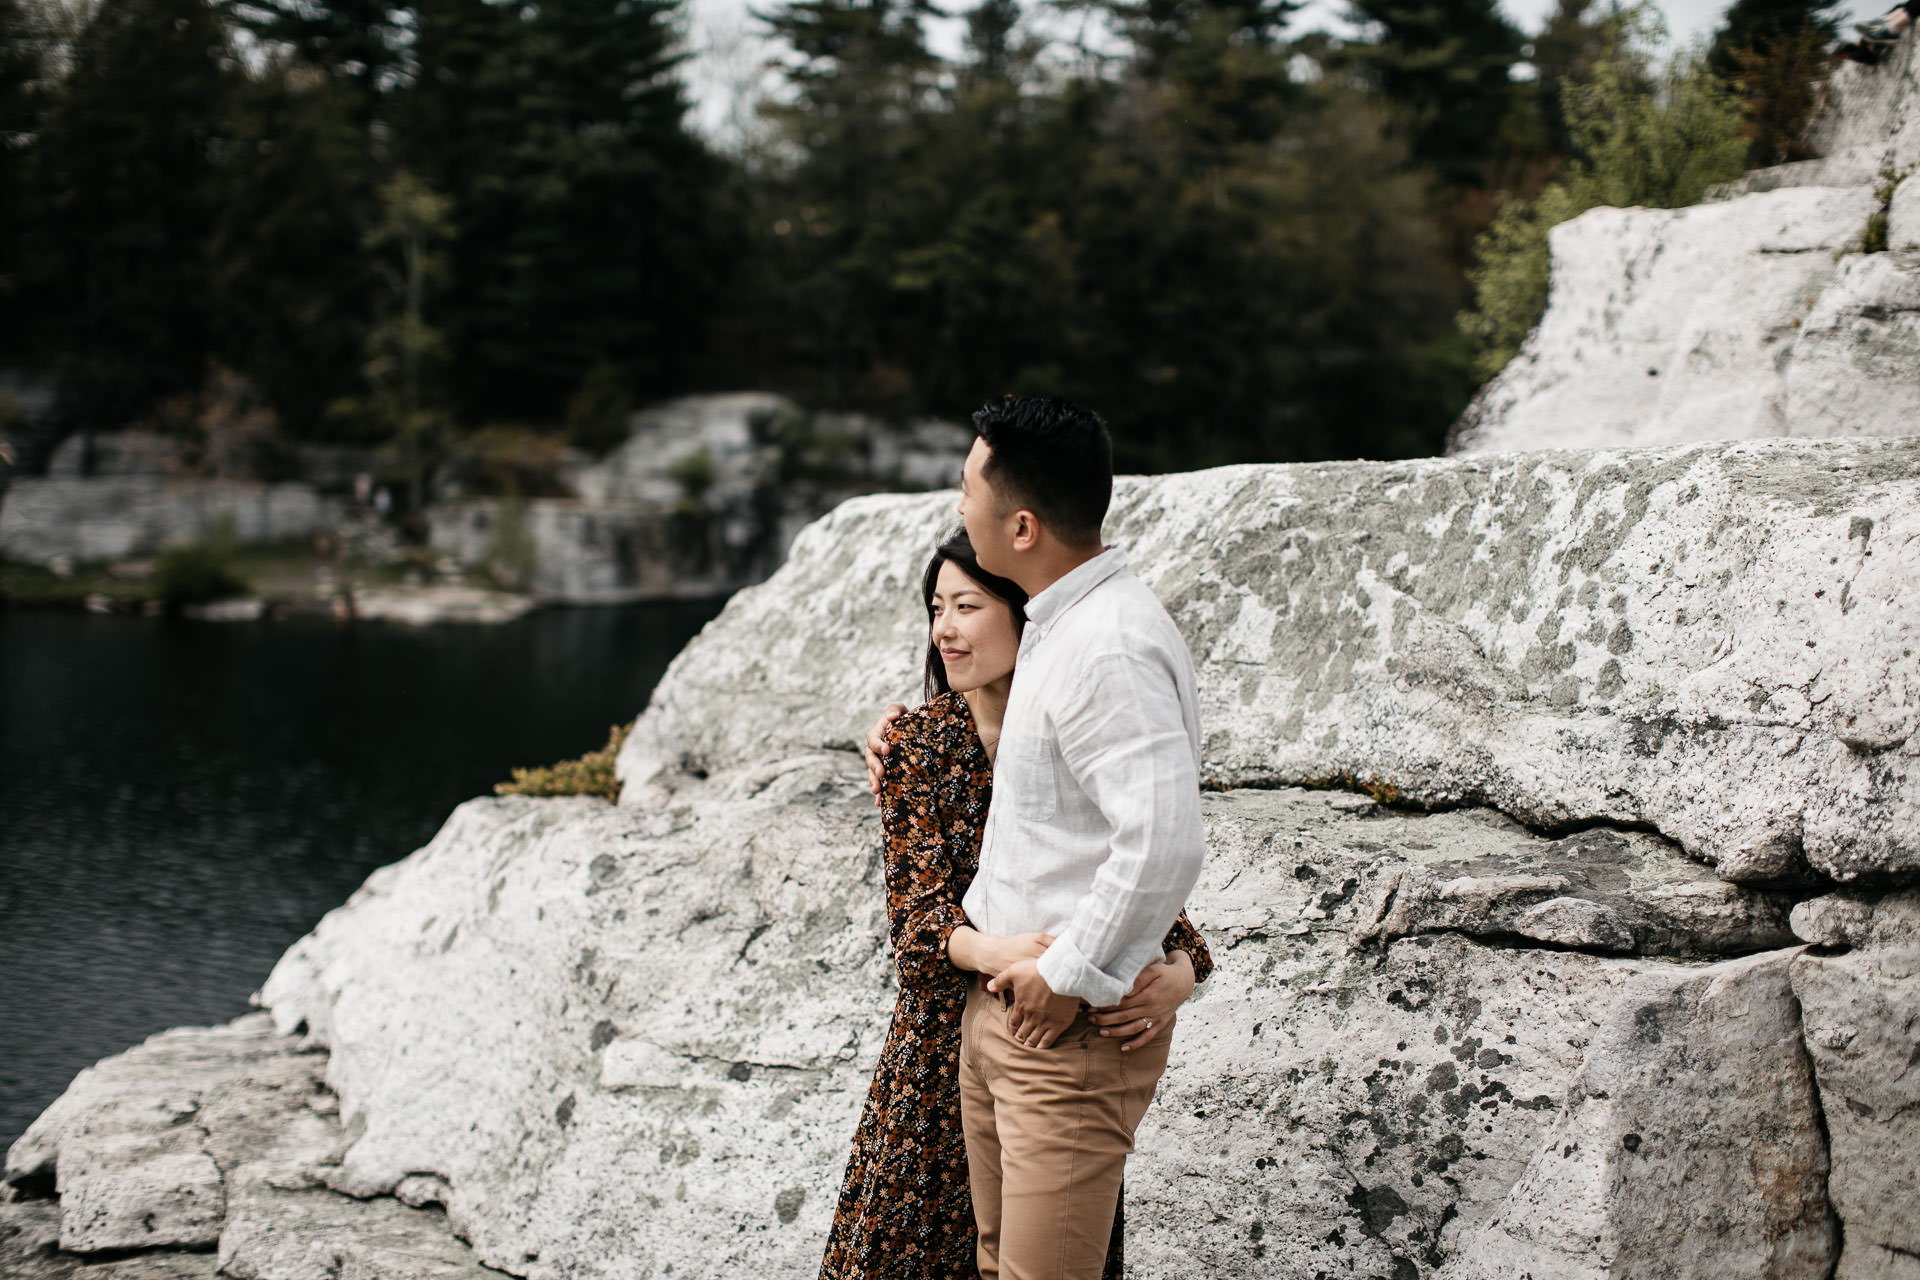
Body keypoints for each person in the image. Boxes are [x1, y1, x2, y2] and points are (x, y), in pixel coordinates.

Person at [821, 527, 1213, 1280]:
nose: (945, 629)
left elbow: (1146, 878)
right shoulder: (918, 744)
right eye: (936, 609)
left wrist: (1182, 974)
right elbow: (917, 923)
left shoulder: (1071, 720)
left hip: (1057, 1039)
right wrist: (1000, 950)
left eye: (966, 605)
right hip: (943, 1050)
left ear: (1021, 611)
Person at [957, 394, 1206, 1280]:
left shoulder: (1107, 643)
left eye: (967, 496)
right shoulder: (1059, 625)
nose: (959, 512)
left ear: (1021, 526)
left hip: (1065, 1035)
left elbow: (1165, 840)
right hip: (1011, 1015)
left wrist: (1066, 978)